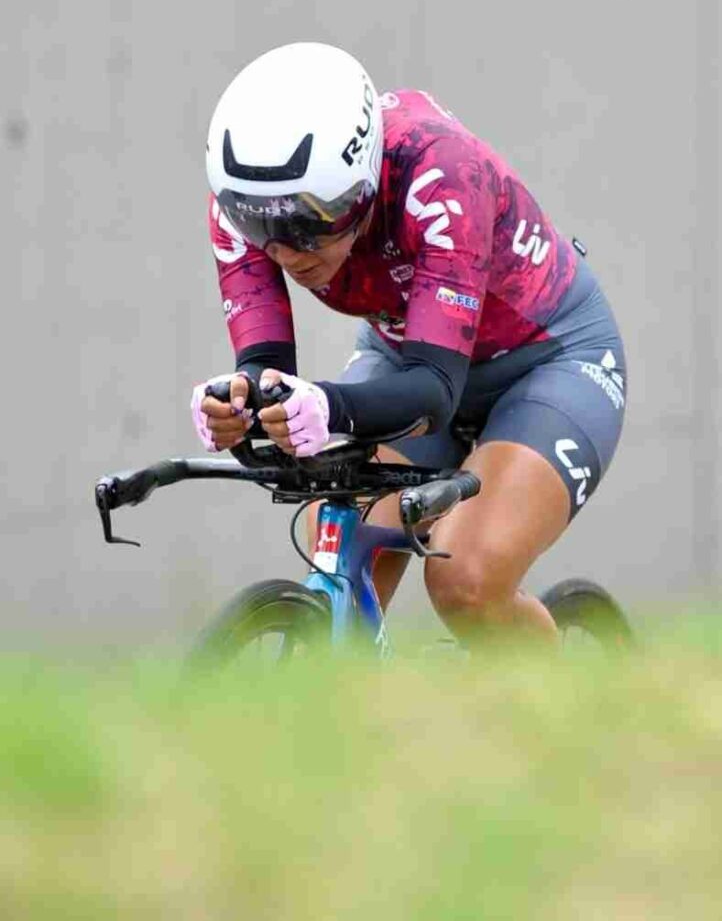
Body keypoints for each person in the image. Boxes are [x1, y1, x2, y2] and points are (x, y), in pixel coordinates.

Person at [191, 41, 626, 645]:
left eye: (310, 228)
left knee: (466, 578)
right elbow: (266, 368)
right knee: (340, 541)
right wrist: (241, 403)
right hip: (407, 353)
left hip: (548, 360)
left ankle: (566, 730)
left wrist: (327, 404)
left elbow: (432, 392)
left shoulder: (441, 172)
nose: (287, 254)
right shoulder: (251, 203)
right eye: (263, 231)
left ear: (365, 186)